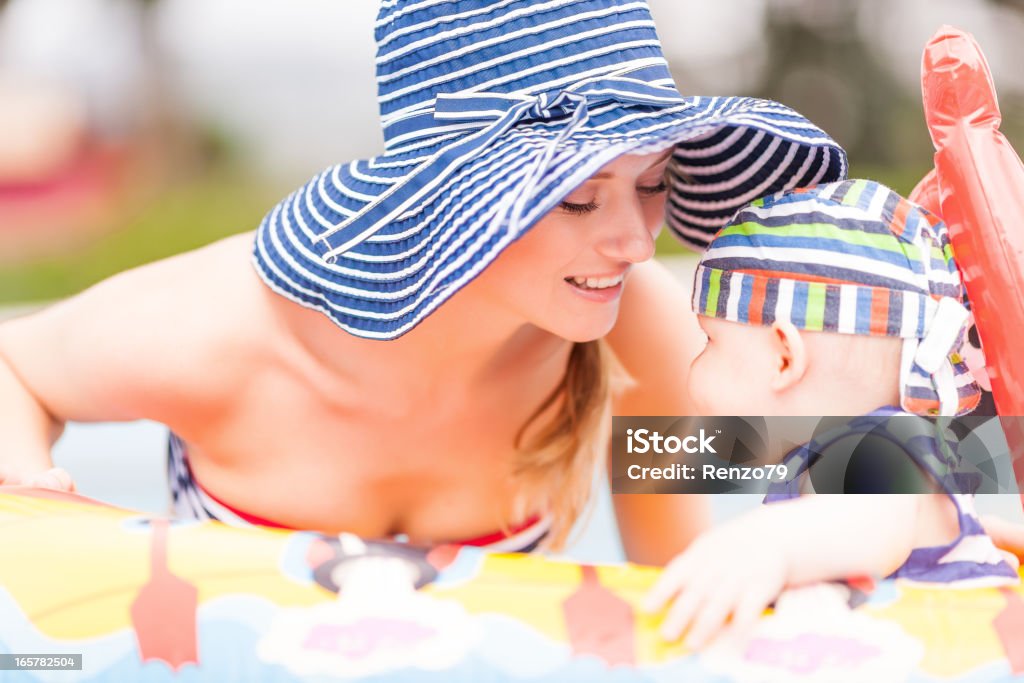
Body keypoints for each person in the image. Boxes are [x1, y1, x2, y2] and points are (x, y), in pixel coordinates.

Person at [0, 0, 848, 559]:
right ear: (455, 199)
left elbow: (685, 572)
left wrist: (929, 489)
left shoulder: (637, 328)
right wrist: (35, 496)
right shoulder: (223, 331)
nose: (634, 242)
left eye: (654, 183)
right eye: (579, 198)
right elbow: (13, 363)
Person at [645, 179, 1021, 649]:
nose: (694, 366)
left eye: (710, 343)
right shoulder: (898, 453)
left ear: (784, 358)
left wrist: (766, 545)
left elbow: (868, 520)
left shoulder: (877, 447)